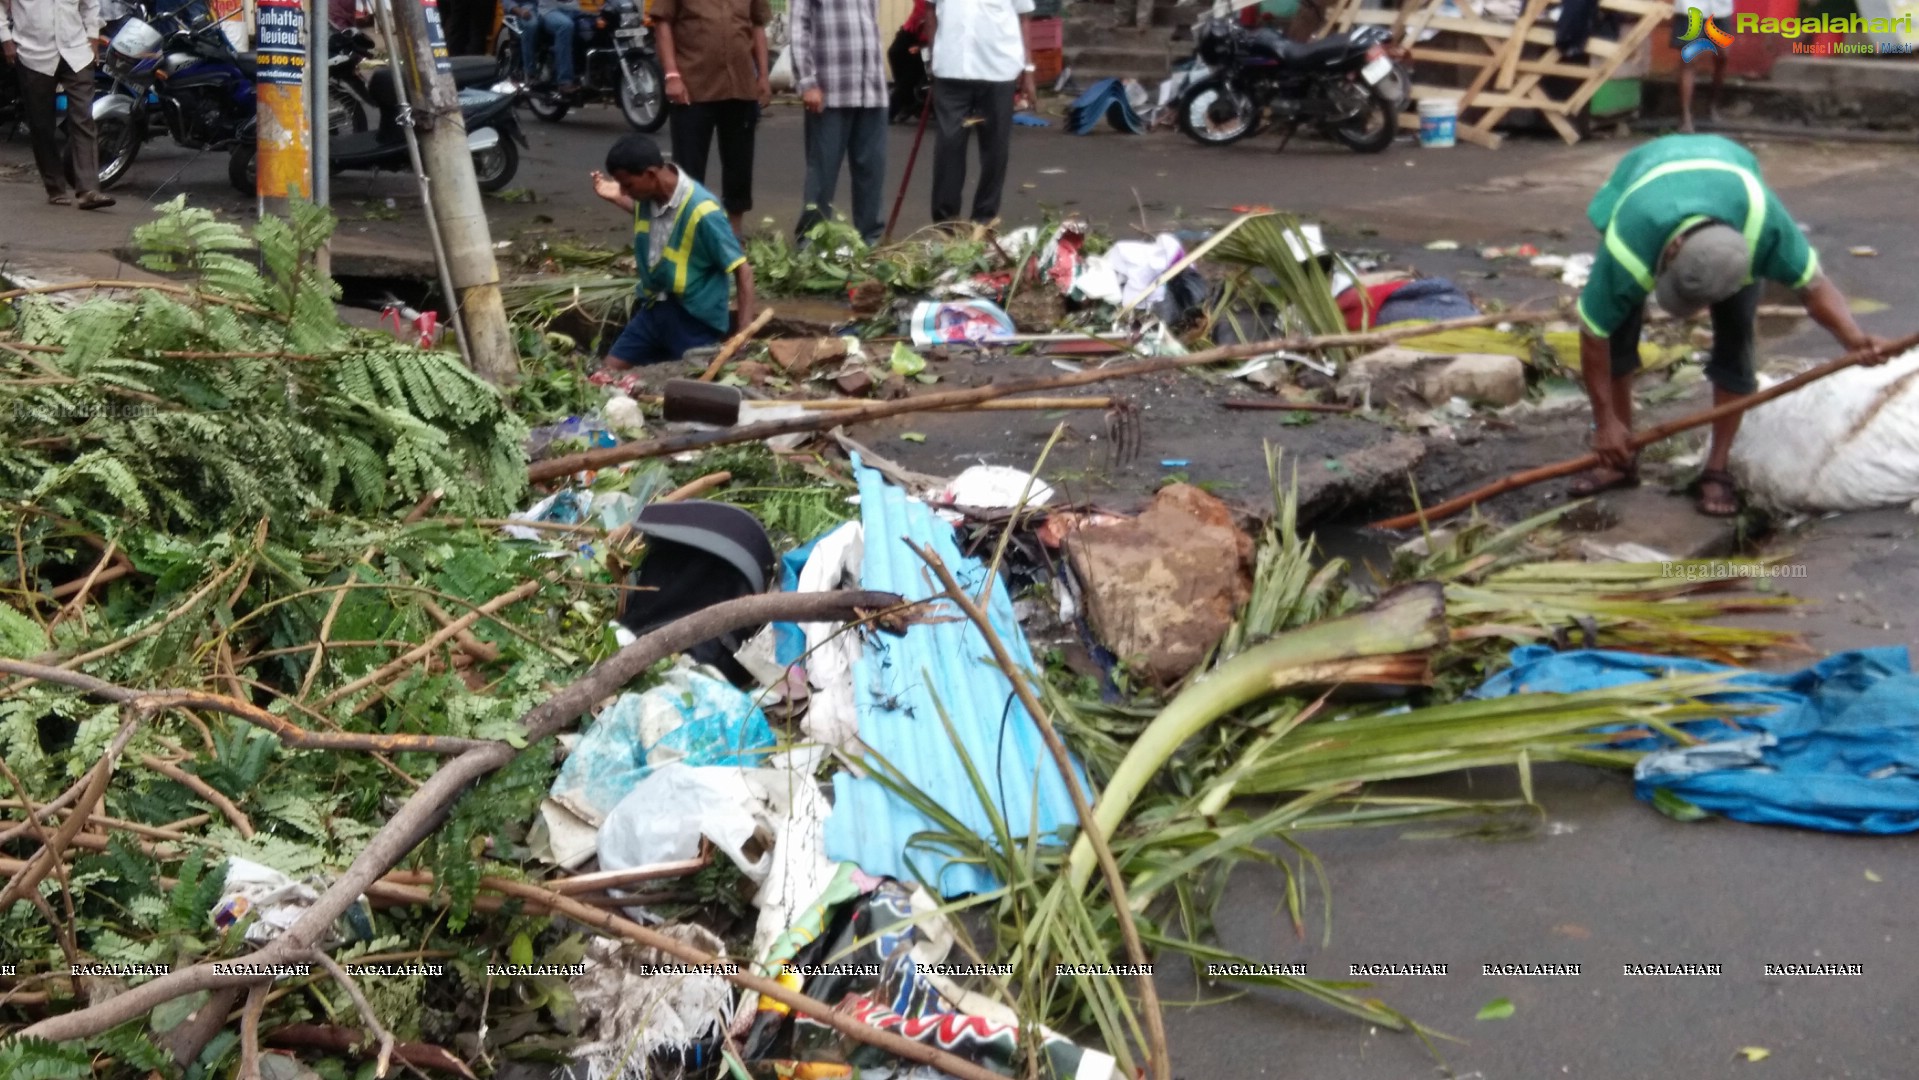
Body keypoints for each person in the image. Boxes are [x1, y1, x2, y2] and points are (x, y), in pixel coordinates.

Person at [1574, 134, 1888, 517]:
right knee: (1618, 331)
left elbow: (1814, 286)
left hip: (1730, 199)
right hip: (1644, 179)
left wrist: (1853, 339)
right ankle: (1618, 456)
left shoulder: (1766, 230)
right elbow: (1594, 332)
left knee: (1736, 341)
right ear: (1670, 254)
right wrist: (1603, 422)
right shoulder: (1629, 243)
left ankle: (1717, 469)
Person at [590, 134, 757, 375]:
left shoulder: (703, 211)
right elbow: (654, 220)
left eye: (628, 185)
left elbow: (743, 271)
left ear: (650, 174)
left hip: (693, 320)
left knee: (690, 388)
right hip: (653, 310)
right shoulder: (649, 197)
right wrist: (616, 196)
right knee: (603, 377)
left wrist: (743, 335)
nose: (625, 191)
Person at [653, 0, 771, 239]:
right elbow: (663, 22)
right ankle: (690, 234)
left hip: (740, 84)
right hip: (692, 86)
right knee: (688, 167)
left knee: (739, 165)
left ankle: (734, 233)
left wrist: (764, 77)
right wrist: (672, 75)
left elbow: (757, 25)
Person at [924, 0, 1037, 225]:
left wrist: (1029, 70)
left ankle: (984, 220)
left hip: (998, 71)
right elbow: (930, 10)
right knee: (948, 146)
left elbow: (1024, 18)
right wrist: (932, 58)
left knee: (995, 150)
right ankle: (946, 223)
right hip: (951, 70)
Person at [789, 0, 887, 245]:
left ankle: (869, 240)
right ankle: (811, 243)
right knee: (822, 172)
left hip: (871, 89)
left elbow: (871, 19)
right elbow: (798, 27)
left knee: (871, 170)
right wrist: (807, 82)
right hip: (830, 90)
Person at [2, 0, 113, 209]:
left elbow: (90, 4)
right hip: (33, 54)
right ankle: (55, 187)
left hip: (77, 52)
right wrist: (6, 39)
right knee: (41, 125)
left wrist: (92, 36)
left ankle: (88, 189)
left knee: (83, 118)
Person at [1674, 0, 1730, 133]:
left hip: (1721, 8)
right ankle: (1685, 117)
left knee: (1723, 56)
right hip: (1690, 7)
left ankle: (1712, 105)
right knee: (1690, 59)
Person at [510, 0, 580, 92]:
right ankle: (563, 80)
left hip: (574, 9)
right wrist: (519, 10)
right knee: (564, 25)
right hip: (548, 10)